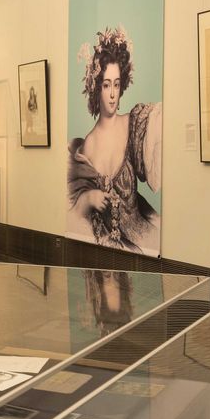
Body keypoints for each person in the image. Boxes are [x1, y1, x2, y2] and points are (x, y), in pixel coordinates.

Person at [68, 26, 161, 253]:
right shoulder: (88, 145)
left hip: (145, 245)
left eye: (117, 84)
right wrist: (91, 198)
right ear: (96, 88)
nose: (112, 94)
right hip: (106, 254)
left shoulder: (133, 123)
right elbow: (75, 211)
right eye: (106, 85)